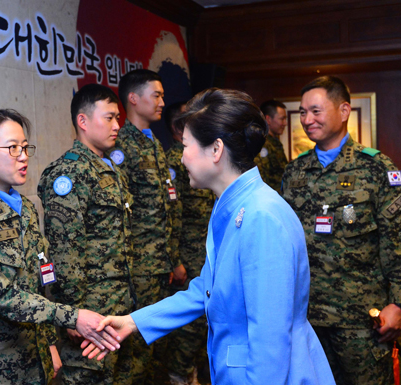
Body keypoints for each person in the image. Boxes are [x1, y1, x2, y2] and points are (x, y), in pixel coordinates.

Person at [87, 88, 336, 385]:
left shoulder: (260, 217)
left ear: (216, 150)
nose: (181, 159)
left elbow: (270, 338)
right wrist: (132, 321)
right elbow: (206, 289)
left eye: (186, 146)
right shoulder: (233, 206)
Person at [0, 109, 121, 385]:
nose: (23, 156)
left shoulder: (26, 210)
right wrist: (71, 317)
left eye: (25, 147)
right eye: (12, 148)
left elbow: (38, 284)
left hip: (33, 365)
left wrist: (48, 346)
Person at [280, 76, 401, 385]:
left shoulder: (375, 169)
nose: (307, 120)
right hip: (306, 316)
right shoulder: (294, 172)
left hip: (360, 319)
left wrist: (398, 303)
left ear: (344, 110)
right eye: (302, 112)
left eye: (315, 111)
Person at [38, 85, 135, 385]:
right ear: (83, 121)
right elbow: (64, 250)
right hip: (89, 312)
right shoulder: (68, 174)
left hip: (117, 306)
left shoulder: (108, 169)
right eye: (109, 118)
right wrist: (72, 313)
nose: (117, 125)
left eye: (118, 118)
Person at [107, 69, 186, 384]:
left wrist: (172, 257)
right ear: (133, 99)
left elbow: (166, 208)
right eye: (157, 95)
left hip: (161, 265)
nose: (162, 102)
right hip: (139, 268)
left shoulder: (154, 144)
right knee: (137, 351)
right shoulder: (121, 148)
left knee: (159, 347)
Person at [164, 101, 214, 385]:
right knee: (190, 323)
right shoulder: (176, 160)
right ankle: (179, 373)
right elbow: (173, 214)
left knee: (205, 320)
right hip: (189, 254)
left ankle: (192, 371)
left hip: (205, 251)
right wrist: (176, 258)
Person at [253, 99, 288, 191]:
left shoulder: (275, 143)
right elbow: (262, 179)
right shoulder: (261, 144)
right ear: (268, 119)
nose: (285, 123)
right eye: (282, 119)